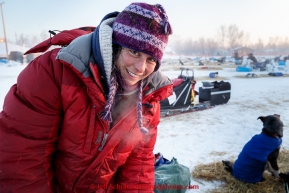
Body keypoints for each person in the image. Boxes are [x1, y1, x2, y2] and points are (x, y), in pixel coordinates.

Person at [0, 2, 173, 193]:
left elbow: (138, 164)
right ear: (116, 45)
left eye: (151, 59)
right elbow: (23, 157)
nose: (141, 68)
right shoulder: (54, 71)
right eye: (134, 52)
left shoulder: (148, 97)